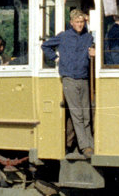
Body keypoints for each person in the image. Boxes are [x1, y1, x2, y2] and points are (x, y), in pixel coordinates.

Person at [41, 9, 95, 158]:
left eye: (82, 22)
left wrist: (93, 54)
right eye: (77, 22)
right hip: (69, 79)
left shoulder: (88, 37)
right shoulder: (64, 36)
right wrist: (56, 58)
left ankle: (89, 143)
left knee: (86, 113)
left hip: (83, 78)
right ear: (71, 23)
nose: (80, 25)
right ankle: (85, 146)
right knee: (77, 114)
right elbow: (45, 46)